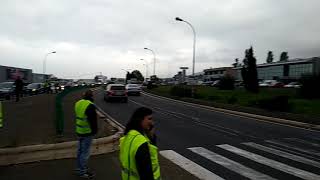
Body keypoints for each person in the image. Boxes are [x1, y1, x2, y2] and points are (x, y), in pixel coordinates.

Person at [119, 107, 161, 180]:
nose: (152, 123)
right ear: (140, 120)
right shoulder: (142, 143)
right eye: (149, 119)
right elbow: (146, 173)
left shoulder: (127, 137)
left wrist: (152, 137)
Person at [75, 90, 98, 178]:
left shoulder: (78, 103)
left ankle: (79, 168)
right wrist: (95, 131)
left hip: (79, 130)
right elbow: (93, 121)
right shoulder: (90, 106)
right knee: (85, 153)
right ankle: (82, 172)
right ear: (92, 96)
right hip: (87, 132)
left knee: (80, 151)